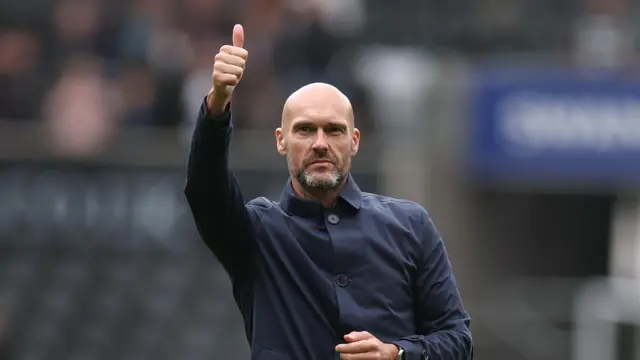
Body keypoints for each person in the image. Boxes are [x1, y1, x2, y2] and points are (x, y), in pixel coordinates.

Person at [184, 24, 473, 360]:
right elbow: (204, 190)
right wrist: (217, 104)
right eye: (305, 130)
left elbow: (457, 340)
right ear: (281, 141)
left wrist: (397, 354)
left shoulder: (411, 225)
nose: (320, 143)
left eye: (333, 130)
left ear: (354, 141)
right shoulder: (257, 233)